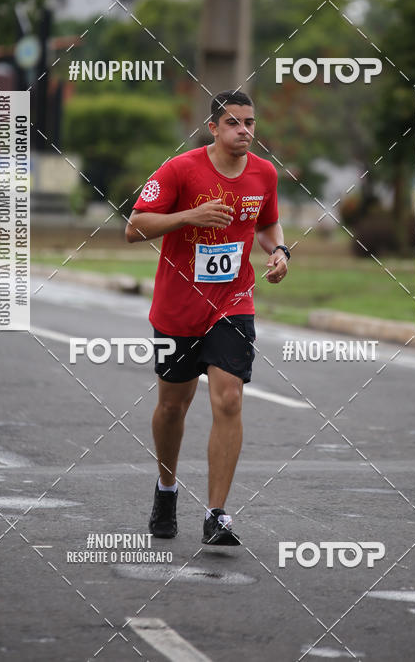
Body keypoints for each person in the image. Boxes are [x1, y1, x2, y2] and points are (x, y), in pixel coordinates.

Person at [125, 90, 290, 545]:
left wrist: (279, 250)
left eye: (250, 123)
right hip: (178, 307)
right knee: (172, 406)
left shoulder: (264, 173)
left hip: (233, 301)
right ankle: (166, 488)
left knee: (229, 399)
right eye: (233, 122)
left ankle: (216, 515)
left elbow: (266, 224)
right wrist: (190, 215)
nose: (244, 131)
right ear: (213, 127)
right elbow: (133, 227)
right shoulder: (179, 170)